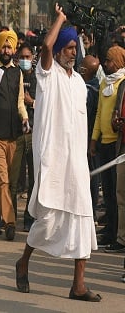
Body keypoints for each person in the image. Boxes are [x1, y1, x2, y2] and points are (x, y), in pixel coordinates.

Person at [15, 4, 100, 302]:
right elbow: (47, 45)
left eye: (76, 47)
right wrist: (61, 19)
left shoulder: (78, 82)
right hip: (53, 160)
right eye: (70, 47)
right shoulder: (46, 75)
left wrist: (86, 32)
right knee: (48, 220)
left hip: (76, 163)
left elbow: (94, 60)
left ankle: (78, 284)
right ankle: (24, 261)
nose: (74, 52)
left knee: (83, 219)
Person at [0, 29, 28, 241]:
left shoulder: (18, 73)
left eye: (9, 46)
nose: (6, 49)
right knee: (2, 180)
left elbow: (20, 101)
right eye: (3, 46)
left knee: (7, 181)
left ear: (14, 50)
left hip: (13, 135)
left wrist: (25, 117)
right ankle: (9, 222)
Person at [89, 44, 125, 252]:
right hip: (104, 142)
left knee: (116, 191)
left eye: (110, 61)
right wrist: (94, 140)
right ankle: (110, 228)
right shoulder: (105, 83)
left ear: (118, 62)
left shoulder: (122, 83)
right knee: (109, 191)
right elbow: (99, 114)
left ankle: (117, 233)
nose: (106, 64)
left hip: (117, 145)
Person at [16, 43, 36, 232]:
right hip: (15, 132)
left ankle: (29, 218)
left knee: (33, 180)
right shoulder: (14, 74)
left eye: (28, 57)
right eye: (22, 57)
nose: (25, 61)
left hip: (33, 133)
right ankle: (9, 218)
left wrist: (33, 102)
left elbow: (47, 104)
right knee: (14, 178)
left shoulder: (38, 78)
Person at [80, 54, 101, 216]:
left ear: (84, 70)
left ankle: (90, 210)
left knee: (91, 174)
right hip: (92, 137)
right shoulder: (97, 87)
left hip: (88, 138)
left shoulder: (88, 91)